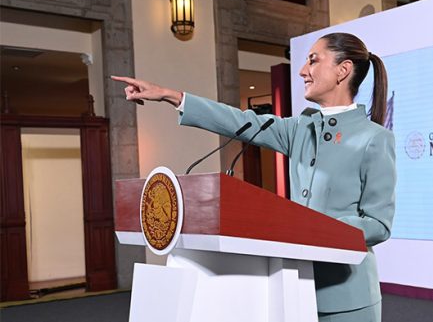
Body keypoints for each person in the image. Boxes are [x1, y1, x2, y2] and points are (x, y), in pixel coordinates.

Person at [112, 32, 396, 322]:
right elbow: (240, 121)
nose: (302, 71)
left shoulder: (375, 139)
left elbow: (378, 224)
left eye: (313, 60)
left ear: (343, 70)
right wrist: (171, 96)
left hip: (347, 296)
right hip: (295, 289)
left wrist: (316, 227)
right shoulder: (300, 128)